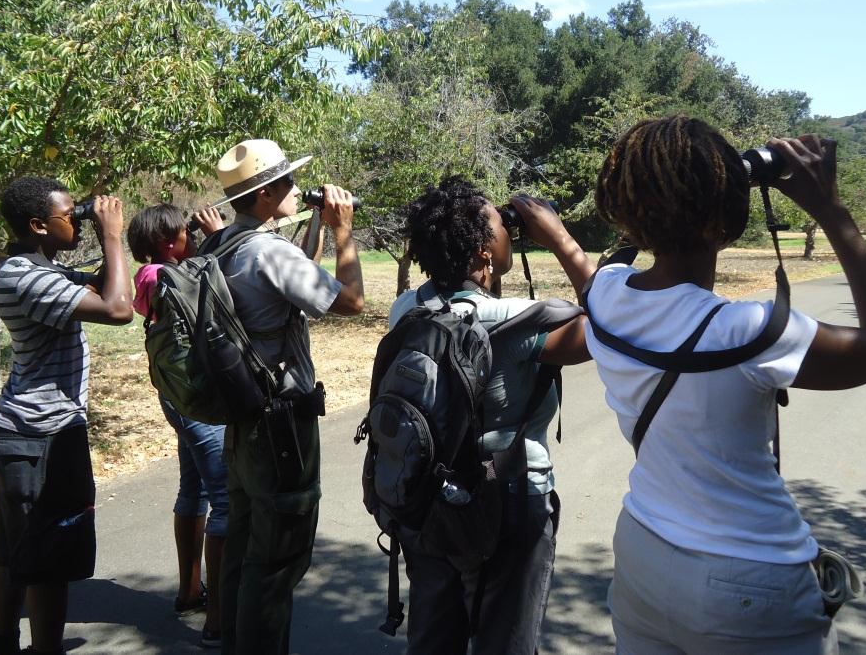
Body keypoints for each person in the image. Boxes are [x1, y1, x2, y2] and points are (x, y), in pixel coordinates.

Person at [585, 115, 866, 654]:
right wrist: (830, 210)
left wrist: (656, 196)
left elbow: (618, 257)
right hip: (750, 582)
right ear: (728, 214)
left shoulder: (604, 295)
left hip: (643, 549)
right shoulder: (748, 330)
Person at [390, 176, 596, 655]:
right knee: (506, 641)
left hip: (425, 499)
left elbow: (466, 305)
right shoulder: (523, 321)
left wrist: (482, 266)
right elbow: (609, 324)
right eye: (503, 226)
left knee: (433, 638)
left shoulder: (405, 310)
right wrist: (560, 238)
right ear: (485, 252)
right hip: (508, 502)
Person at [202, 139, 364, 655]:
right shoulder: (266, 251)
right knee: (276, 564)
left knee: (245, 550)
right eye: (290, 183)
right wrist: (344, 232)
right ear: (268, 194)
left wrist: (316, 223)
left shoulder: (222, 244)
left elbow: (297, 272)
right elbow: (350, 303)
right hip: (281, 425)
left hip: (243, 419)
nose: (299, 190)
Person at [0, 177, 133, 655]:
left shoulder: (38, 267)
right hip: (42, 436)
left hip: (29, 434)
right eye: (69, 215)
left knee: (16, 552)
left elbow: (98, 284)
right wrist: (112, 234)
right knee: (45, 560)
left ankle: (4, 644)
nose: (80, 219)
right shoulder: (24, 276)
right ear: (37, 225)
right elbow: (117, 308)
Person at [126, 203, 227, 648]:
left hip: (176, 395)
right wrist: (216, 237)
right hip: (197, 398)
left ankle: (190, 591)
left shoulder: (149, 278)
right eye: (184, 232)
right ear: (169, 243)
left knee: (194, 490)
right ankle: (219, 620)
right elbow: (218, 285)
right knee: (225, 499)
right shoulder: (165, 277)